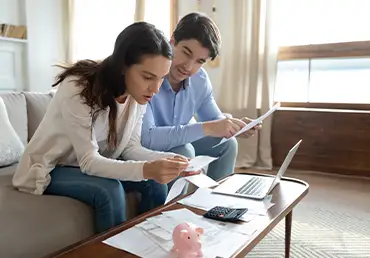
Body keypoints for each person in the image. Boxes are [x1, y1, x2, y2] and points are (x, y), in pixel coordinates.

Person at [12, 22, 197, 234]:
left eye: (161, 79)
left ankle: (148, 246)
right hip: (53, 166)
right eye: (148, 77)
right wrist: (147, 168)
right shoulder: (78, 87)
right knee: (109, 190)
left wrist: (174, 161)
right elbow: (89, 161)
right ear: (122, 66)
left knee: (154, 184)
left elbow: (130, 148)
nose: (155, 89)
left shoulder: (137, 95)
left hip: (89, 164)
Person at [141, 12, 262, 187]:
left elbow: (214, 119)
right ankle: (174, 213)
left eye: (199, 61)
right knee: (184, 150)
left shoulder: (200, 80)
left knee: (228, 145)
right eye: (186, 53)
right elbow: (148, 138)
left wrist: (234, 127)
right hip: (147, 147)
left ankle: (215, 205)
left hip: (177, 142)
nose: (188, 67)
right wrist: (210, 127)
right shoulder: (150, 75)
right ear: (172, 41)